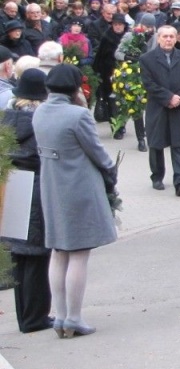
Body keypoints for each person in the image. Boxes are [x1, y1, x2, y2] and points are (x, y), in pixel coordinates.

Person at [32, 64, 118, 338]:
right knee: (79, 253)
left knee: (59, 252)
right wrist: (110, 169)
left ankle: (59, 316)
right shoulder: (78, 115)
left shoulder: (39, 112)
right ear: (74, 87)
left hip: (52, 186)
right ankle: (74, 317)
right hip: (78, 186)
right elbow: (96, 151)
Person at [1, 69, 52, 333]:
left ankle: (26, 316)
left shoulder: (7, 119)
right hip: (34, 188)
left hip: (11, 186)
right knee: (37, 257)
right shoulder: (38, 123)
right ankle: (35, 317)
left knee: (20, 258)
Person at [139, 25, 180, 195]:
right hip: (158, 106)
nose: (169, 39)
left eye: (172, 36)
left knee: (179, 144)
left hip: (179, 106)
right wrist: (168, 97)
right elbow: (148, 83)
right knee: (156, 143)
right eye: (165, 36)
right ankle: (157, 176)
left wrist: (179, 97)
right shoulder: (147, 58)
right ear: (158, 38)